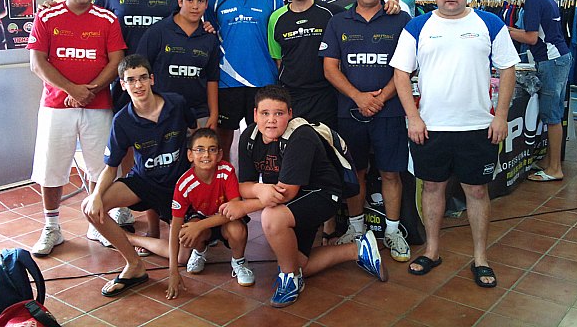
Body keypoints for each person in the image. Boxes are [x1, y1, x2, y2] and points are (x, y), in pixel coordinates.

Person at [391, 0, 519, 288]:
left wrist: (501, 115)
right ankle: (432, 250)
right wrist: (413, 117)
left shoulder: (490, 23)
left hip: (478, 127)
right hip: (430, 127)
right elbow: (401, 74)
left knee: (476, 191)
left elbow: (507, 70)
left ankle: (481, 257)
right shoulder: (417, 26)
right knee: (432, 188)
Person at [219, 85, 387, 308]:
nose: (271, 120)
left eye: (279, 113)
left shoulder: (300, 136)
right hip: (293, 198)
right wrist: (259, 189)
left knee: (272, 217)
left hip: (322, 195)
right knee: (298, 263)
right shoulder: (249, 136)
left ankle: (290, 280)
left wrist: (244, 207)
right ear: (255, 114)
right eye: (265, 113)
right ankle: (359, 250)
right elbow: (244, 185)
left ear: (290, 114)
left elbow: (286, 192)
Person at [27, 0, 126, 257]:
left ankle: (97, 223)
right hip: (56, 106)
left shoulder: (107, 19)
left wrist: (90, 91)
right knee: (51, 167)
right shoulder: (47, 16)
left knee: (101, 167)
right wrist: (72, 90)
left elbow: (116, 61)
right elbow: (37, 63)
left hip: (99, 106)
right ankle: (51, 227)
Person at [82, 54, 195, 297]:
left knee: (183, 257)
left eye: (143, 78)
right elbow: (111, 167)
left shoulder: (176, 103)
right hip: (143, 182)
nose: (138, 85)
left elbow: (194, 133)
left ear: (152, 79)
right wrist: (97, 195)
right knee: (89, 207)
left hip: (177, 186)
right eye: (131, 80)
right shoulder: (122, 120)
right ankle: (134, 265)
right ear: (123, 85)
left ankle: (130, 239)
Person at [320, 0, 411, 263]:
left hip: (390, 111)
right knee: (355, 172)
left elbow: (406, 67)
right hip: (350, 112)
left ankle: (393, 231)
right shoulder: (338, 22)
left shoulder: (400, 19)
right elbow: (330, 68)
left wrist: (380, 98)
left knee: (390, 172)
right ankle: (356, 228)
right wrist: (358, 97)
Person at [95, 0, 181, 238]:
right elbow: (92, 16)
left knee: (166, 142)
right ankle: (128, 205)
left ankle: (171, 206)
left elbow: (190, 17)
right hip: (129, 82)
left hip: (164, 79)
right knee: (131, 142)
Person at [205, 0, 283, 160]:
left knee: (263, 140)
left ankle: (260, 180)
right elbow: (208, 33)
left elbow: (279, 39)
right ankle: (224, 180)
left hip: (264, 81)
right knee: (223, 141)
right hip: (227, 81)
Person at [164, 128, 254, 299]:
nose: (206, 155)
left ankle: (239, 261)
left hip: (226, 220)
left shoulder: (226, 171)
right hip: (201, 218)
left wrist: (199, 226)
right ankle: (200, 251)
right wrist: (173, 271)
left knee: (237, 230)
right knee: (186, 232)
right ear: (190, 155)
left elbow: (235, 209)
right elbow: (175, 227)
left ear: (219, 154)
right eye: (199, 149)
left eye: (212, 149)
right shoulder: (183, 184)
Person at [508, 0, 572, 181]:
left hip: (552, 61)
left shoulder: (533, 1)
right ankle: (549, 161)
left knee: (552, 116)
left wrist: (505, 31)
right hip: (557, 58)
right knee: (552, 114)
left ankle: (555, 169)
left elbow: (531, 38)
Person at [268, 0, 344, 129]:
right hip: (292, 98)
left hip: (325, 98)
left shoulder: (331, 14)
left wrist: (388, 4)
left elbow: (363, 11)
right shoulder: (276, 19)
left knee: (326, 144)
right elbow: (279, 61)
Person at [137, 0, 219, 130]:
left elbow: (212, 79)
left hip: (199, 115)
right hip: (162, 112)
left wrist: (214, 114)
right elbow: (140, 71)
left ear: (206, 4)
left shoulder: (210, 37)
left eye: (200, 1)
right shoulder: (158, 32)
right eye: (190, 0)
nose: (195, 6)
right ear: (180, 1)